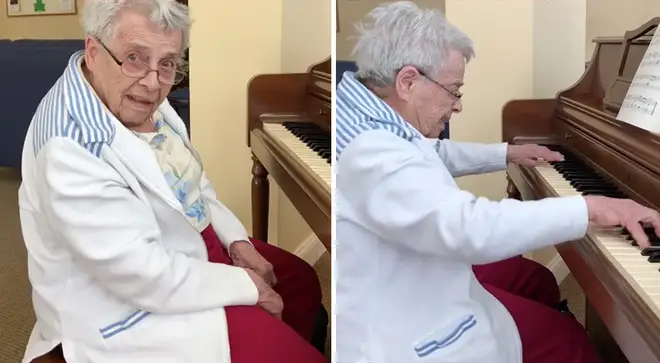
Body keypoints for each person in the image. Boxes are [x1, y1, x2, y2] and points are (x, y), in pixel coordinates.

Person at [334, 2, 660, 363]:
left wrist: (505, 153)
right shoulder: (370, 153)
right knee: (567, 340)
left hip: (417, 276)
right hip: (404, 331)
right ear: (408, 82)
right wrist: (592, 207)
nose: (457, 106)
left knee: (536, 283)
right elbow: (468, 228)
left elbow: (429, 153)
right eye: (454, 89)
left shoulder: (367, 116)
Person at [19, 0, 327, 362]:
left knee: (301, 282)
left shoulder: (132, 92)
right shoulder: (70, 149)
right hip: (125, 299)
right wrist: (247, 286)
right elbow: (144, 275)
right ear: (93, 49)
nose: (152, 83)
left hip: (183, 244)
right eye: (134, 56)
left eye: (167, 63)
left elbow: (192, 182)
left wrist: (237, 242)